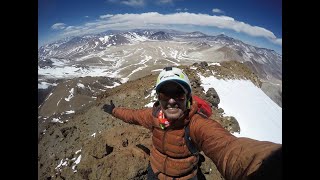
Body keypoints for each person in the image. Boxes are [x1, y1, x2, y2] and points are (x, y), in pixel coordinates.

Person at [102, 66, 282, 180]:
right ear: (159, 98)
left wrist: (268, 165)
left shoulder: (196, 124)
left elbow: (228, 148)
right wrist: (113, 110)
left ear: (188, 98)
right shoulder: (153, 116)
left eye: (178, 94)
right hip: (154, 173)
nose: (171, 101)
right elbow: (132, 115)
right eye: (165, 94)